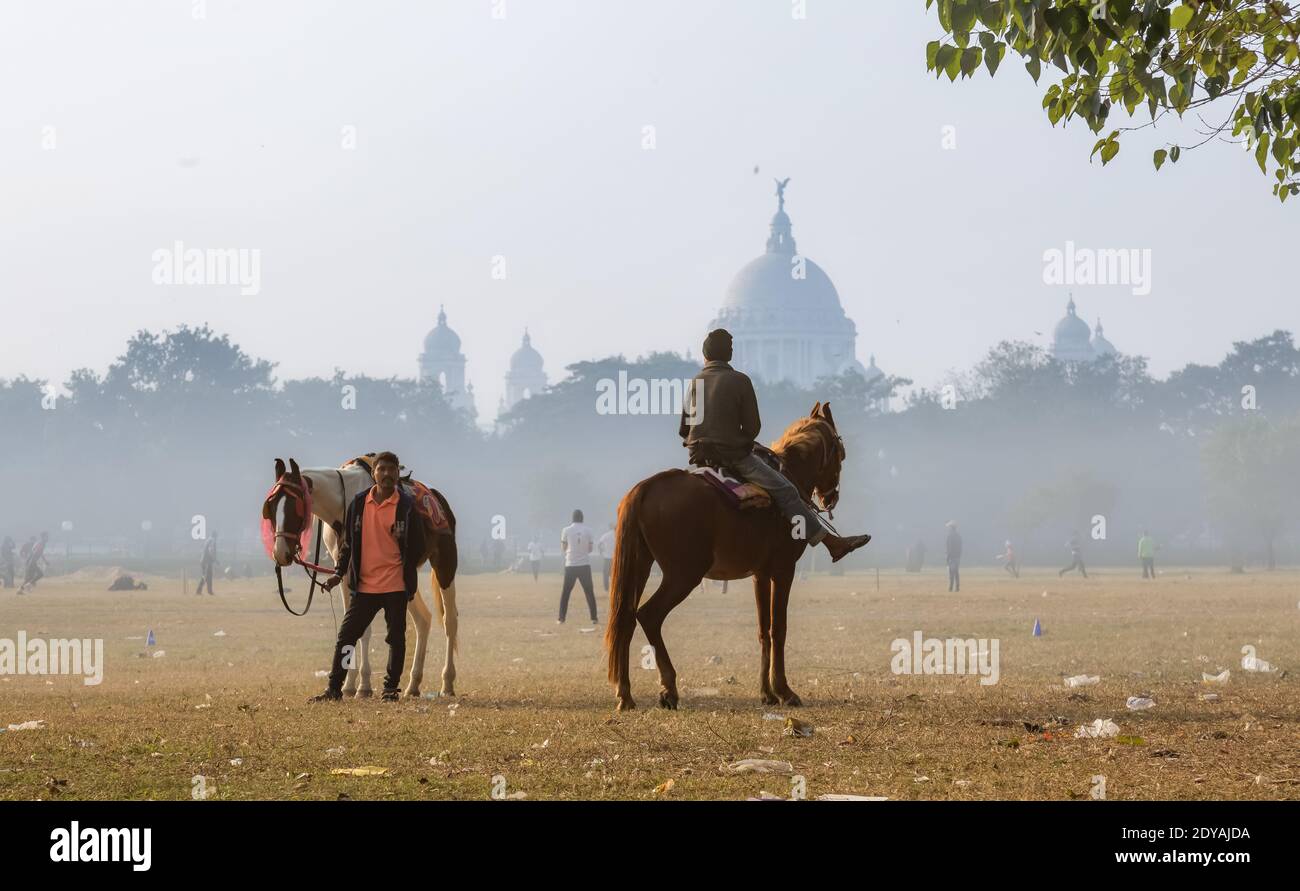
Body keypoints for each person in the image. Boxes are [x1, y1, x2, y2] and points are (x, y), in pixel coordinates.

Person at [678, 328, 871, 562]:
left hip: (698, 457)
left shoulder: (695, 383)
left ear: (705, 355)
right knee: (787, 490)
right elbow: (752, 428)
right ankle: (832, 543)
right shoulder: (740, 380)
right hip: (731, 456)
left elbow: (684, 430)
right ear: (729, 354)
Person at [311, 451, 427, 703]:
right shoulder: (360, 503)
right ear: (373, 473)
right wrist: (337, 574)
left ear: (398, 473)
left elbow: (420, 546)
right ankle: (333, 688)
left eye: (391, 470)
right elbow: (348, 546)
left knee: (395, 639)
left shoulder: (407, 507)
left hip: (395, 586)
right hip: (364, 587)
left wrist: (403, 543)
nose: (386, 474)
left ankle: (390, 689)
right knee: (346, 637)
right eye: (381, 469)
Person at [558, 509, 598, 625]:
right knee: (589, 592)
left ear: (573, 518)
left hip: (570, 565)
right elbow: (590, 549)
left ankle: (561, 618)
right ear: (582, 518)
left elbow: (563, 547)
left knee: (566, 592)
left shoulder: (566, 530)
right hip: (584, 565)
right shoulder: (589, 530)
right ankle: (594, 617)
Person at [597, 522, 616, 591]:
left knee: (605, 574)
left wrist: (601, 552)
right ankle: (615, 587)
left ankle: (606, 588)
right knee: (614, 573)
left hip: (607, 557)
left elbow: (599, 544)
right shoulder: (617, 535)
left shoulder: (606, 535)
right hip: (615, 558)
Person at [945, 521, 962, 592]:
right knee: (956, 572)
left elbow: (949, 547)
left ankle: (951, 587)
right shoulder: (958, 536)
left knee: (951, 572)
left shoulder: (950, 536)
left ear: (951, 528)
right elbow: (961, 547)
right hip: (957, 556)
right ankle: (957, 587)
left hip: (952, 557)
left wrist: (948, 556)